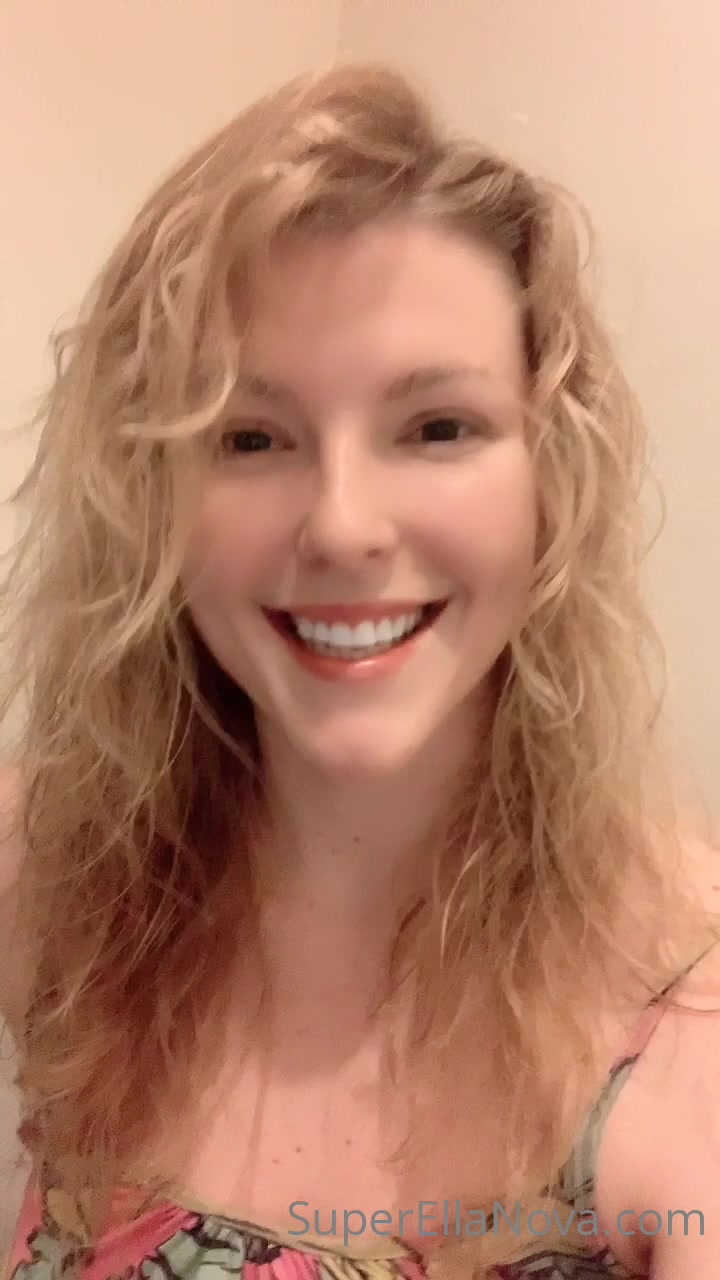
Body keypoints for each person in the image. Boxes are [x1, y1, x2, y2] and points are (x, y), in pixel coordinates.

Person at [0, 63, 718, 1280]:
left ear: (551, 474)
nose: (341, 524)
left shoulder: (689, 1017)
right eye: (249, 435)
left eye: (437, 426)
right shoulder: (48, 882)